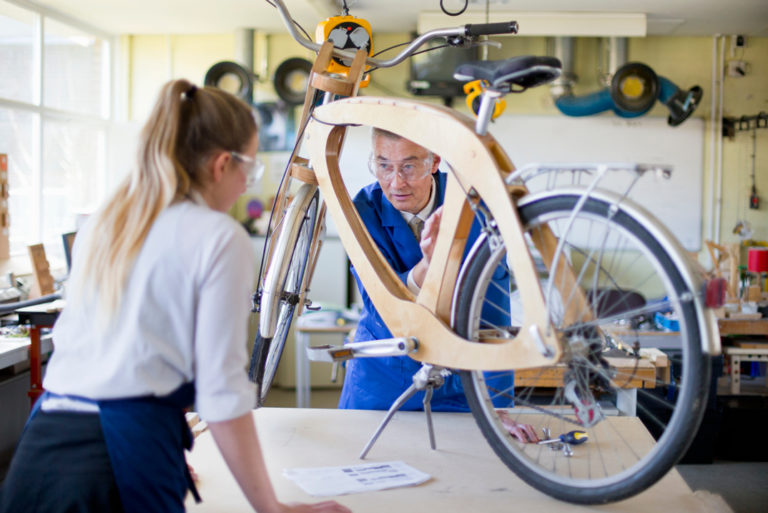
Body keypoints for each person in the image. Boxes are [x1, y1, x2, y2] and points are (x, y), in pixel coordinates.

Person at [0, 79, 350, 513]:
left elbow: (130, 355)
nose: (246, 186)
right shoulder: (217, 236)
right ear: (223, 164)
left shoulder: (108, 222)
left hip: (45, 448)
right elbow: (220, 393)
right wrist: (271, 508)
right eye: (251, 170)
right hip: (115, 459)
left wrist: (163, 448)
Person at [338, 128, 538, 444]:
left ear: (435, 162)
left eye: (409, 165)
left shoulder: (476, 206)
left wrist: (497, 404)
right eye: (384, 165)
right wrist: (428, 267)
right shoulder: (362, 211)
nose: (395, 182)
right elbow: (381, 301)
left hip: (458, 382)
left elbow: (493, 311)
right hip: (382, 377)